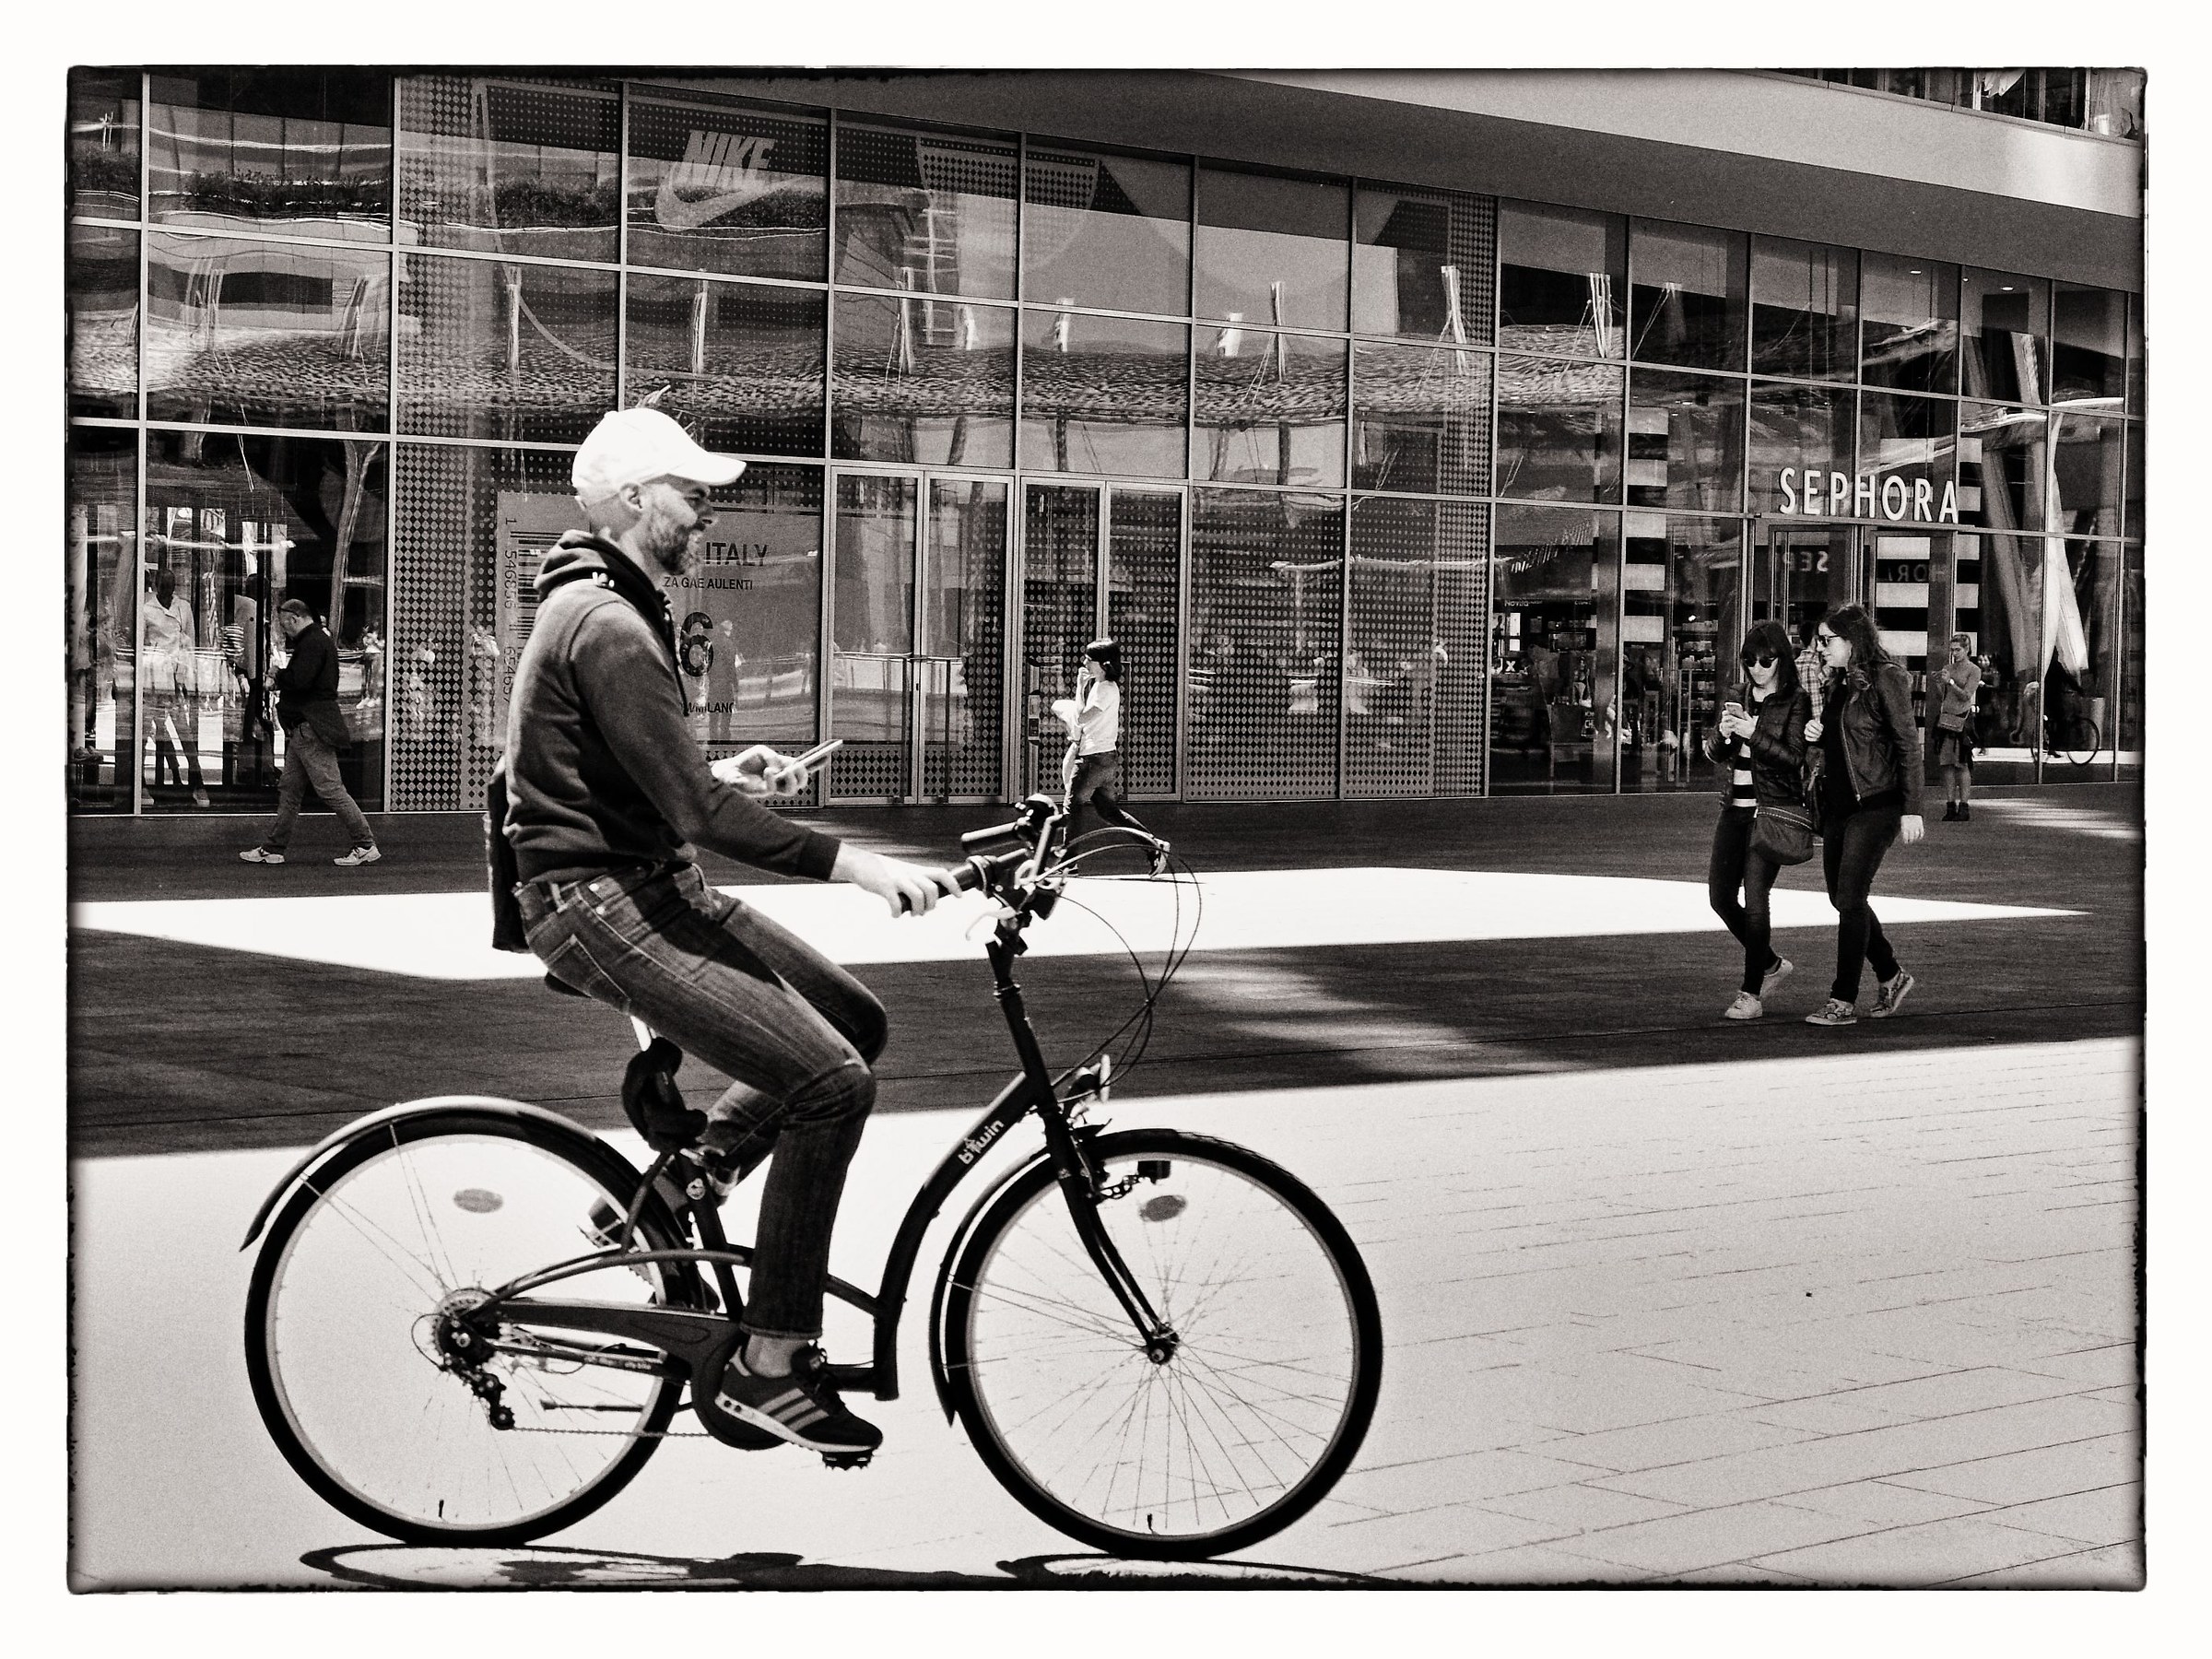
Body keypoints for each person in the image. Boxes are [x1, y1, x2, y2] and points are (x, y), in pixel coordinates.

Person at [503, 405, 953, 1458]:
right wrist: (858, 865)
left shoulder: (607, 606)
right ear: (627, 500)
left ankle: (679, 1183)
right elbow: (701, 819)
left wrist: (717, 774)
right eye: (690, 494)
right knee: (832, 1083)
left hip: (641, 881)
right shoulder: (607, 623)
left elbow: (661, 785)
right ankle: (770, 1363)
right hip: (603, 904)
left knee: (855, 1019)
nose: (706, 513)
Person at [1801, 605, 1924, 1028]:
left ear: (1852, 640)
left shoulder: (1886, 677)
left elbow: (1908, 744)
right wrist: (1817, 736)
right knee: (1841, 897)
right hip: (1840, 806)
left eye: (1827, 640)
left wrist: (1912, 808)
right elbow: (1845, 742)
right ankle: (1891, 974)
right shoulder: (1839, 683)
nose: (1821, 648)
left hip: (1878, 803)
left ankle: (1842, 1001)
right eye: (1820, 640)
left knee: (1850, 897)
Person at [1703, 620, 1812, 1020]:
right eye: (1749, 661)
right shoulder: (1738, 695)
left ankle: (1750, 993)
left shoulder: (1795, 701)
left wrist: (1753, 733)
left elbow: (1793, 759)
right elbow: (1716, 755)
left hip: (1770, 812)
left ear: (1781, 658)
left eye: (1765, 660)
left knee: (1755, 902)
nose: (1756, 668)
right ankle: (1769, 962)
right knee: (1719, 897)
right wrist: (1725, 733)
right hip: (1735, 809)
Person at [239, 599, 382, 867]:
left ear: (295, 618)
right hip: (305, 728)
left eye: (284, 623)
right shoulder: (318, 640)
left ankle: (365, 843)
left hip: (308, 727)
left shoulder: (312, 643)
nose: (284, 630)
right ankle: (273, 848)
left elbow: (300, 681)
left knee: (329, 789)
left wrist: (277, 676)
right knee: (291, 789)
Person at [1052, 638, 1153, 849]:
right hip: (1105, 758)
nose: (1085, 663)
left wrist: (1080, 688)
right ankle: (1154, 847)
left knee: (1072, 806)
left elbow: (1081, 718)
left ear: (1103, 665)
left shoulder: (1103, 689)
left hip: (1093, 758)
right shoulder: (1105, 686)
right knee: (1108, 811)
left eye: (1089, 660)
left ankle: (1069, 862)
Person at [142, 568, 208, 807]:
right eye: (163, 586)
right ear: (156, 586)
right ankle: (140, 785)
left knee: (185, 733)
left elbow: (189, 643)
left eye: (171, 587)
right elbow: (141, 646)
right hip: (153, 680)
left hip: (176, 681)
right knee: (145, 733)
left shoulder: (184, 607)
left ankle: (198, 783)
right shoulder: (146, 610)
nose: (167, 591)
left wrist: (187, 678)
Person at [1932, 633, 1982, 821]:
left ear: (1967, 649)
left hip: (1962, 719)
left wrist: (1950, 682)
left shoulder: (1974, 670)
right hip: (1946, 718)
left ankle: (1964, 805)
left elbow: (1966, 695)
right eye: (1952, 650)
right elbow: (1942, 697)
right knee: (1947, 763)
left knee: (1961, 763)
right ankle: (1950, 804)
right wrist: (1939, 684)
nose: (1954, 654)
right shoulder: (1948, 668)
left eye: (1958, 650)